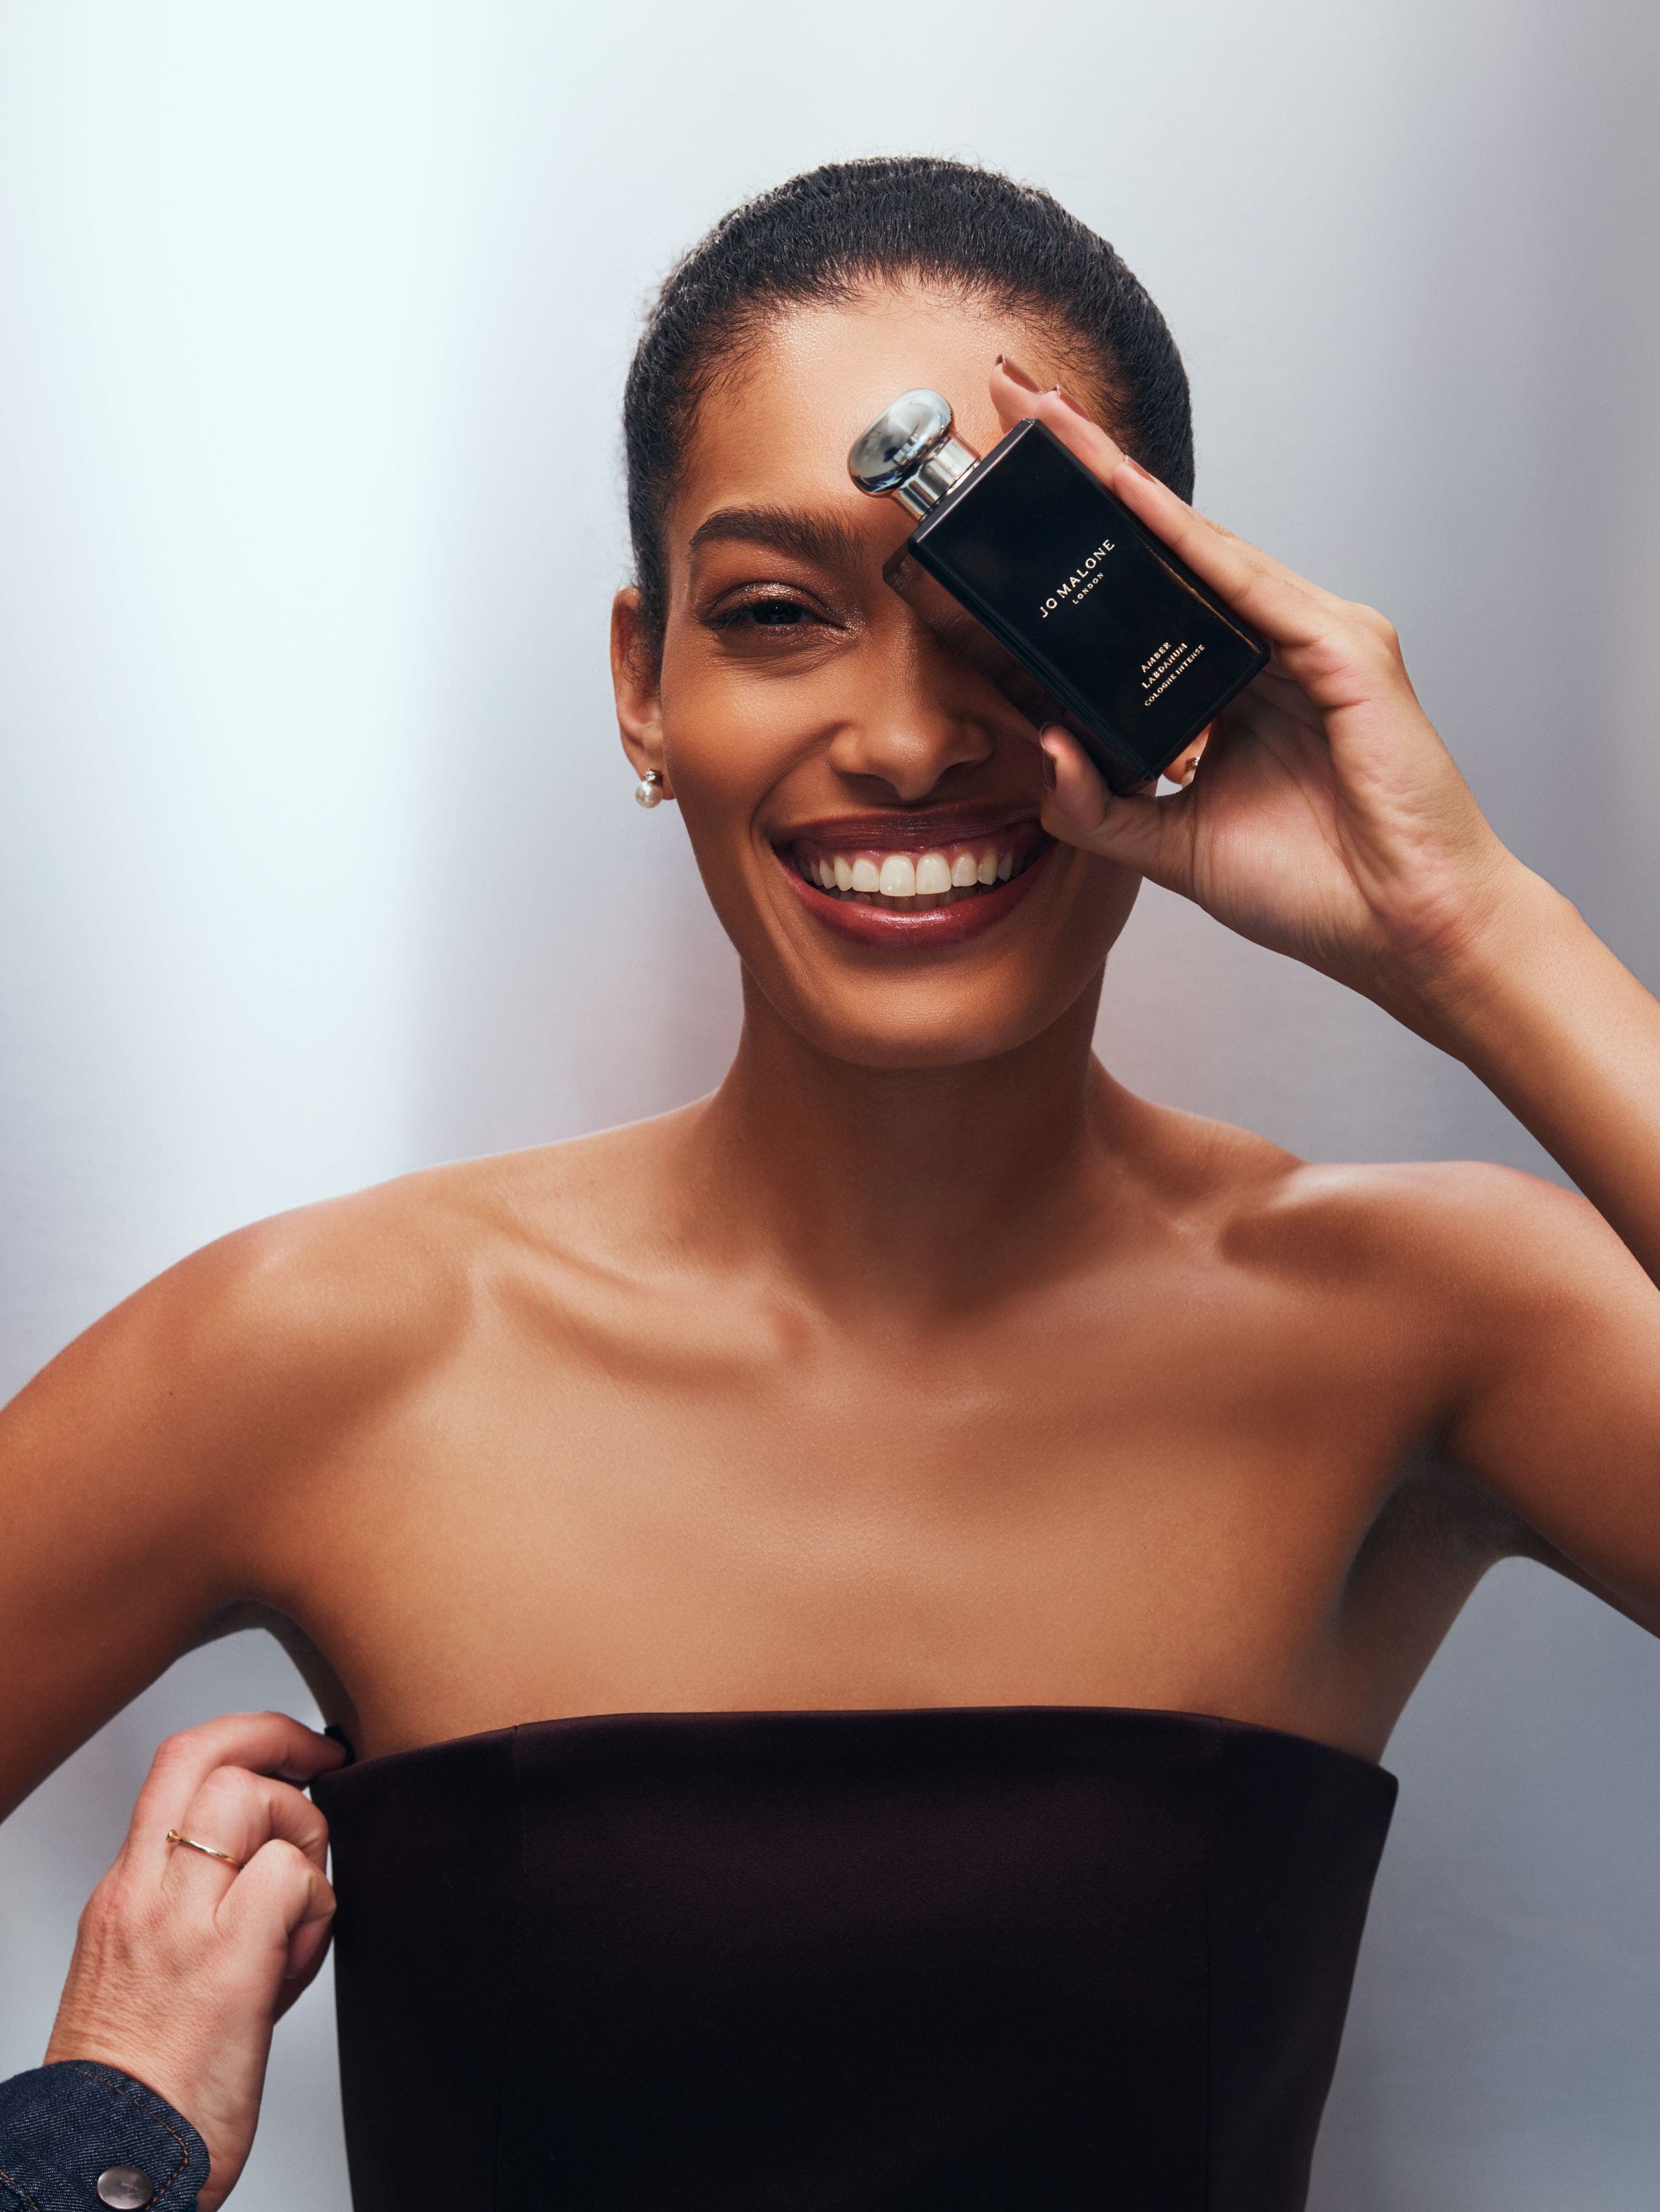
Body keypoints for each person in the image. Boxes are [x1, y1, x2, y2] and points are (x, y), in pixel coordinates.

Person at [4, 154, 1659, 2211]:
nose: (899, 737)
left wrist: (1463, 927)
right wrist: (101, 2140)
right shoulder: (322, 1356)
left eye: (1008, 620)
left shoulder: (1433, 1327)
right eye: (778, 615)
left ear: (1173, 651)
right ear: (644, 684)